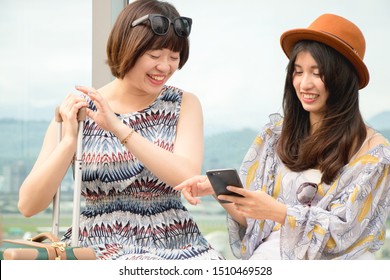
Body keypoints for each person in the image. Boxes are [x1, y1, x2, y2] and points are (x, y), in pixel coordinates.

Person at [18, 0, 223, 260]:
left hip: (174, 242)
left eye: (174, 57)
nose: (165, 67)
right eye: (155, 55)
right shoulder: (79, 111)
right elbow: (28, 205)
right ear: (128, 48)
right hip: (97, 245)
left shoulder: (184, 104)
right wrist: (69, 141)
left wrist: (117, 127)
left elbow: (185, 175)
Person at [175, 13, 390, 260]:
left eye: (317, 73)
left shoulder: (373, 153)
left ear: (343, 78)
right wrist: (223, 191)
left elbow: (345, 234)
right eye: (298, 72)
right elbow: (255, 222)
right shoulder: (276, 135)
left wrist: (279, 212)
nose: (304, 84)